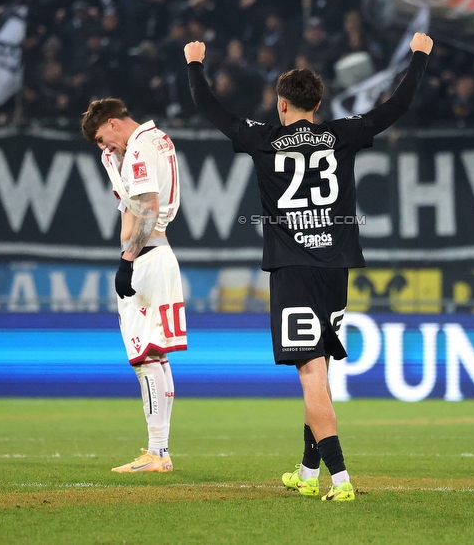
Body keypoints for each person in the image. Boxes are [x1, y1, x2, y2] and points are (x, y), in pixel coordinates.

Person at [185, 32, 433, 501]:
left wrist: (195, 65)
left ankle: (340, 480)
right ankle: (306, 471)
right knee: (317, 369)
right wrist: (419, 57)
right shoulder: (343, 133)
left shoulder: (265, 140)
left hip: (293, 268)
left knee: (310, 373)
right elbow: (396, 105)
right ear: (317, 103)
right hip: (335, 267)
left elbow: (211, 110)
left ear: (282, 105)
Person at [81, 98, 186, 472]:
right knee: (157, 356)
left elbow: (149, 207)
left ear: (113, 123)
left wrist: (126, 260)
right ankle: (159, 449)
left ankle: (157, 453)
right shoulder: (154, 141)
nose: (103, 148)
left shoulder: (140, 146)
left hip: (146, 258)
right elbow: (132, 205)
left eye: (101, 138)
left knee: (145, 359)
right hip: (156, 255)